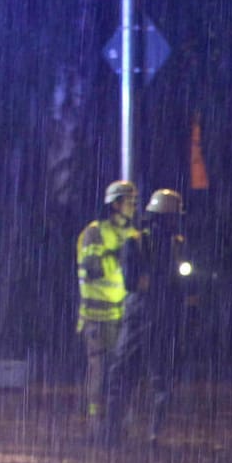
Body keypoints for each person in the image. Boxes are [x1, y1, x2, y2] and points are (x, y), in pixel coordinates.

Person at [121, 188, 191, 441]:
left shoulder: (177, 244)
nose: (174, 223)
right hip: (145, 316)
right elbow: (131, 281)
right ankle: (120, 429)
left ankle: (151, 433)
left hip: (158, 317)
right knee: (128, 373)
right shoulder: (137, 242)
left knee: (156, 376)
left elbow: (183, 282)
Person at [75, 180, 142, 440]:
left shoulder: (129, 233)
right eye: (130, 202)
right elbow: (91, 269)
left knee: (120, 373)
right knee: (100, 373)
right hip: (97, 318)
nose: (134, 207)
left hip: (121, 316)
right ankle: (96, 426)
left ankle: (116, 426)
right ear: (115, 204)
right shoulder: (95, 233)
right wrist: (120, 256)